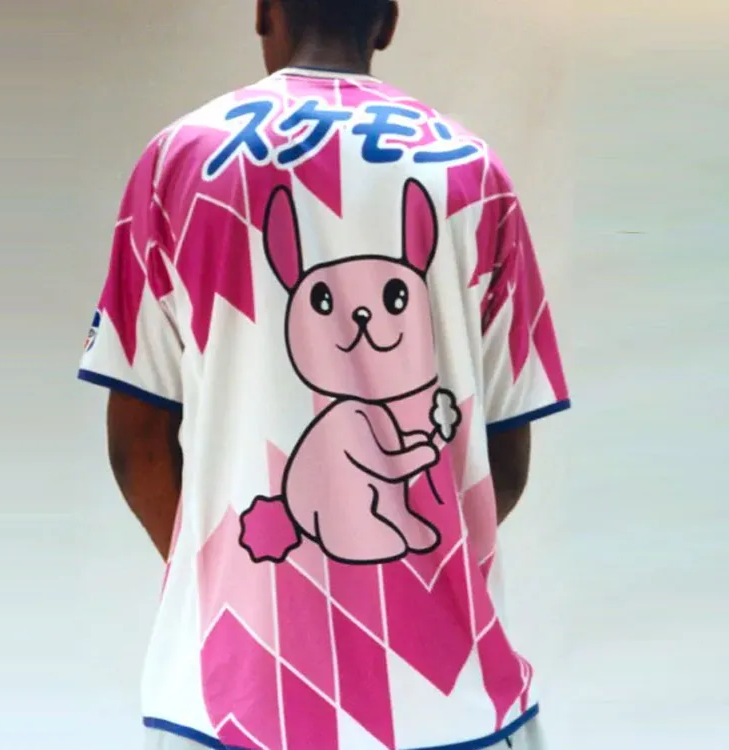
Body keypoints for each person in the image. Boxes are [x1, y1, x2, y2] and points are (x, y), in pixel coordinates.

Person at [78, 1, 570, 748]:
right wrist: (396, 559)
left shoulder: (177, 164)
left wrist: (232, 580)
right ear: (388, 21)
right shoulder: (476, 176)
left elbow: (136, 447)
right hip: (453, 709)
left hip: (224, 705)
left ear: (263, 12)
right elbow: (502, 460)